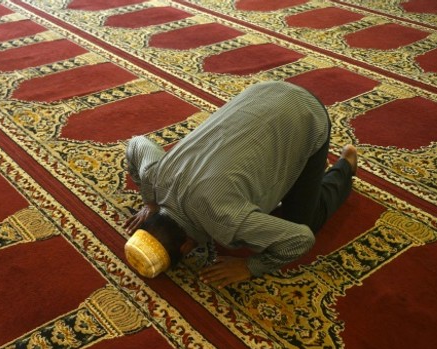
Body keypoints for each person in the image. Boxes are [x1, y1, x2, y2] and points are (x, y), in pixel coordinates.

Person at [123, 81, 357, 287]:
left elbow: (299, 239)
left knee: (305, 220)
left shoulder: (225, 220)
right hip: (263, 91)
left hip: (307, 117)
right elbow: (136, 143)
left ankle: (345, 167)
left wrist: (250, 266)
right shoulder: (154, 179)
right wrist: (150, 201)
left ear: (185, 249)